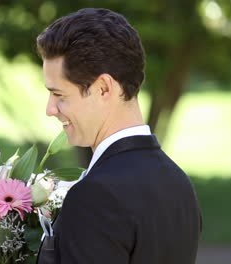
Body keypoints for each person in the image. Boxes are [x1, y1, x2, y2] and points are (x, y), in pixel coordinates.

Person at [35, 8, 202, 264]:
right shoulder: (177, 181)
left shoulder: (95, 196)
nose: (50, 109)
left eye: (59, 95)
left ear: (103, 88)